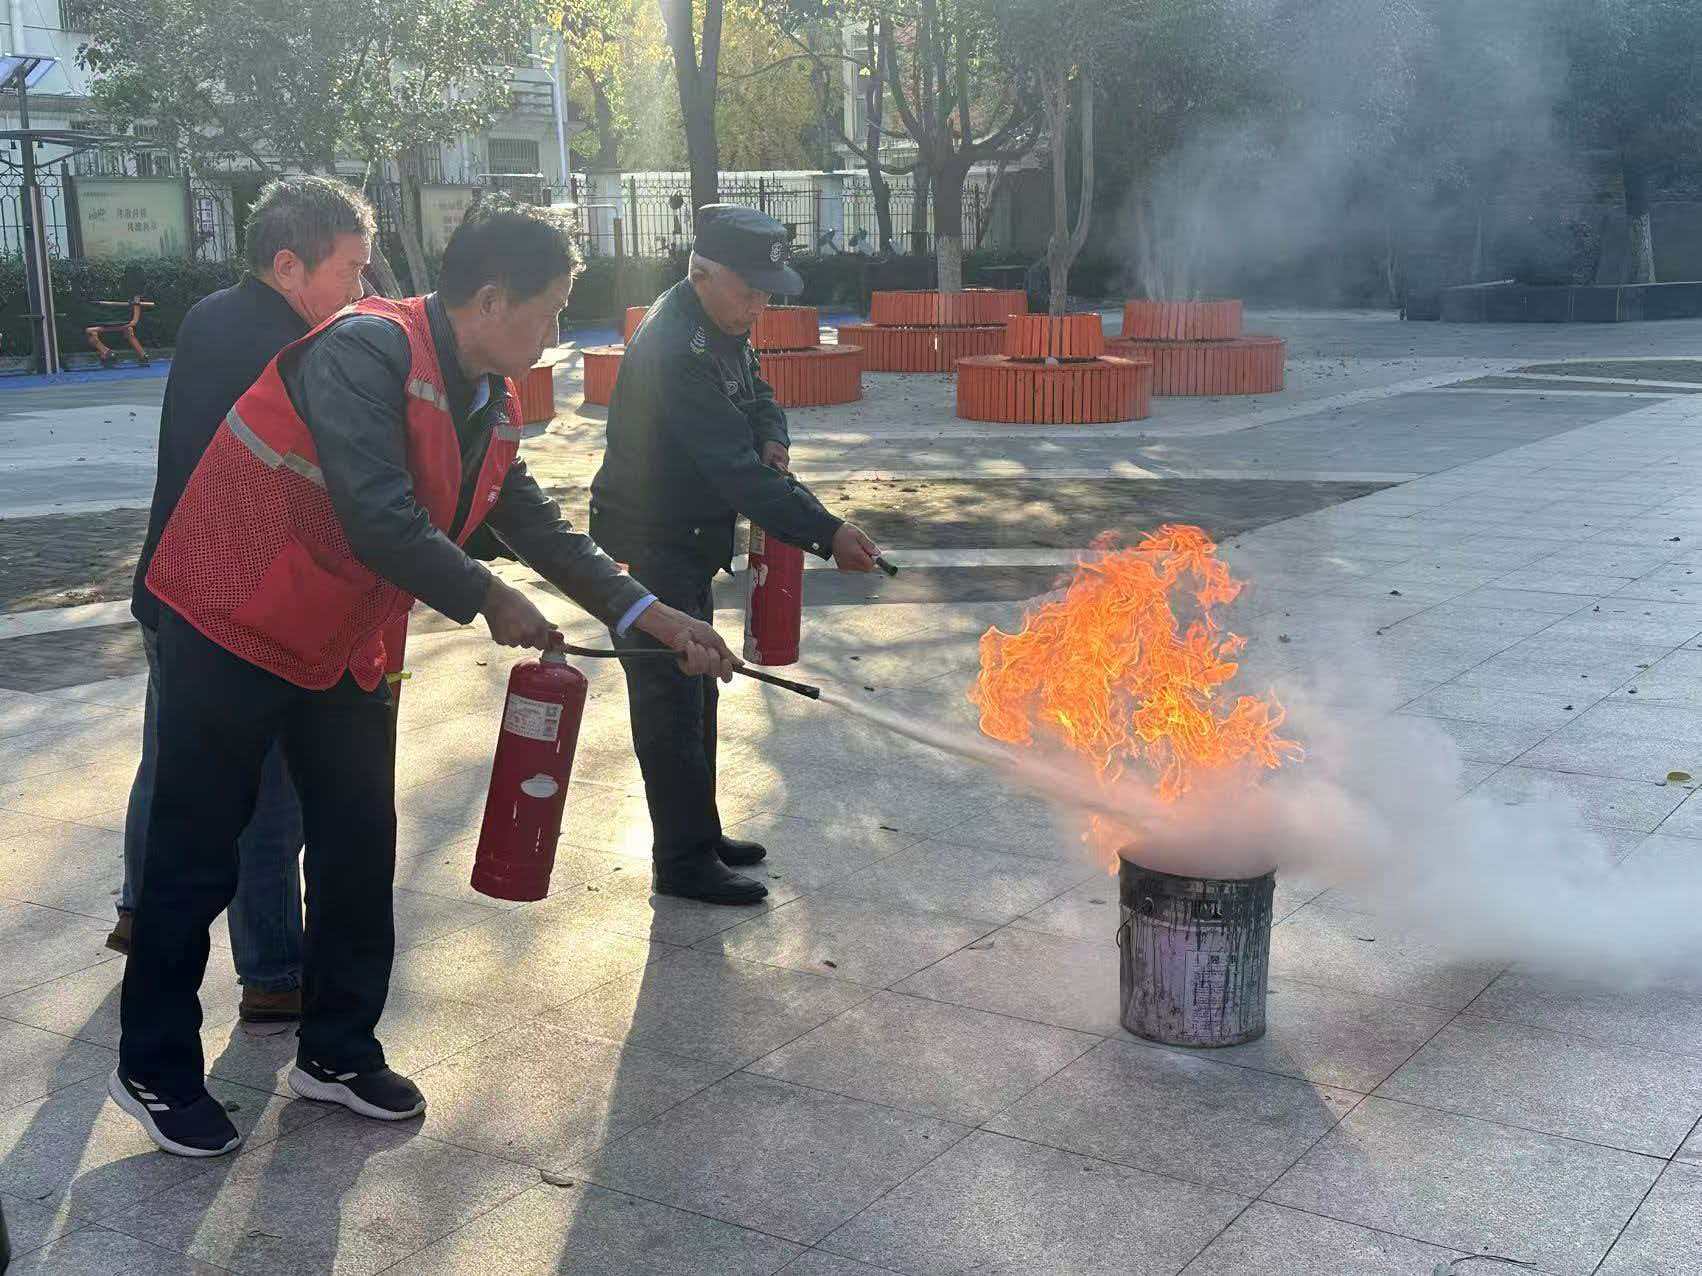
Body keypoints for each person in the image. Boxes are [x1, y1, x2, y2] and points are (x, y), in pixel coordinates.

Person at [111, 197, 737, 1158]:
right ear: (490, 300)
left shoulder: (491, 396)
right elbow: (378, 513)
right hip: (231, 611)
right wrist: (490, 598)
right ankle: (154, 1065)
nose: (555, 335)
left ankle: (338, 1050)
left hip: (340, 635)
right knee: (199, 845)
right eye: (550, 311)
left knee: (359, 840)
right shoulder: (366, 349)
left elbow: (535, 527)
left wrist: (652, 615)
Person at [113, 176, 376, 1026]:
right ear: (289, 265)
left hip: (170, 588)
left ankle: (137, 910)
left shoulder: (210, 315)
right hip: (235, 608)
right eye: (350, 270)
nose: (361, 289)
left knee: (168, 764)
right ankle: (272, 970)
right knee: (269, 795)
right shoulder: (291, 350)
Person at [590, 205, 883, 907]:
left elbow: (757, 396)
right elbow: (734, 470)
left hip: (688, 539)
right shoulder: (676, 349)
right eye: (750, 292)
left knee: (698, 689)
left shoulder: (722, 323)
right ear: (702, 273)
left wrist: (773, 436)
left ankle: (702, 833)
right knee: (669, 703)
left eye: (767, 294)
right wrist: (828, 532)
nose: (760, 308)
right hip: (651, 542)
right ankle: (682, 861)